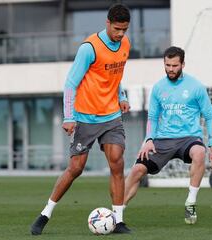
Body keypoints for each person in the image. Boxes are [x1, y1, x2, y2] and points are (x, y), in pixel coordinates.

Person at [30, 4, 132, 235]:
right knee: (76, 168)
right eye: (117, 29)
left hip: (111, 116)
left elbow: (115, 76)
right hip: (85, 117)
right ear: (107, 23)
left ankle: (118, 220)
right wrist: (69, 117)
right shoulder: (89, 48)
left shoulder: (125, 44)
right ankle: (45, 213)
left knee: (117, 161)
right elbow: (70, 83)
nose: (120, 34)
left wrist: (122, 96)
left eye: (124, 29)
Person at [123, 46, 212, 225]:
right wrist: (148, 140)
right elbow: (152, 117)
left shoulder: (196, 86)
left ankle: (191, 202)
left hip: (189, 138)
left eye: (174, 65)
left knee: (199, 152)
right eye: (167, 65)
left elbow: (210, 116)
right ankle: (117, 213)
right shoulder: (159, 88)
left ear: (183, 64)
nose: (170, 69)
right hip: (162, 139)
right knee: (137, 170)